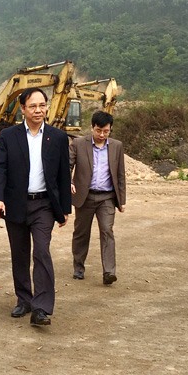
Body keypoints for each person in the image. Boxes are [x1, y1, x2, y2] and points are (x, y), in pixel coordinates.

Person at [0, 88, 72, 327]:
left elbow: (63, 174)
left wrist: (64, 208)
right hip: (15, 203)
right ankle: (24, 299)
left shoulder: (57, 137)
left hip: (44, 205)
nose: (38, 110)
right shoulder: (8, 136)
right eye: (33, 106)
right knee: (20, 253)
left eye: (42, 105)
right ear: (23, 109)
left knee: (42, 251)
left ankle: (41, 308)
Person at [70, 111, 126, 285]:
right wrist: (68, 182)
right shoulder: (78, 144)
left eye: (106, 131)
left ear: (110, 129)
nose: (102, 134)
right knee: (81, 233)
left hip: (107, 197)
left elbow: (120, 174)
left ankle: (109, 272)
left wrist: (122, 200)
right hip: (85, 196)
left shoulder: (117, 146)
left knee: (107, 231)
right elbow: (67, 165)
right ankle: (79, 268)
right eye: (99, 130)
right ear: (92, 127)